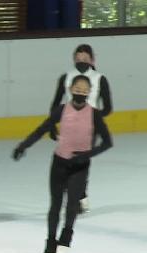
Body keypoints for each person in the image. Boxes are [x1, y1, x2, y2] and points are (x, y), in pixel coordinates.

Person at [14, 75, 113, 253]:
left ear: (89, 92)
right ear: (71, 89)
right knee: (55, 205)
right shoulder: (62, 110)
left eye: (85, 89)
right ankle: (50, 243)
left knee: (72, 204)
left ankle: (66, 235)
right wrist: (23, 146)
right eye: (77, 88)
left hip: (80, 166)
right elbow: (42, 129)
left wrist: (87, 155)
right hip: (59, 163)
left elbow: (108, 142)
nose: (81, 92)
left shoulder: (94, 114)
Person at [48, 43, 113, 213]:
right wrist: (51, 126)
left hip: (89, 127)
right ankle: (77, 195)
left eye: (85, 58)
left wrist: (95, 119)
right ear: (73, 59)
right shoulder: (66, 77)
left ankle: (79, 195)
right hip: (68, 125)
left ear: (92, 59)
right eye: (78, 58)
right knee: (66, 160)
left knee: (82, 159)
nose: (81, 61)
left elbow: (108, 107)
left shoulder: (100, 78)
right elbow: (55, 104)